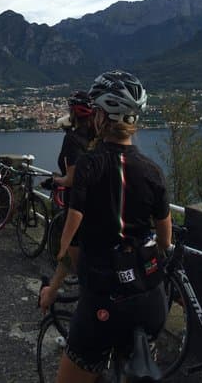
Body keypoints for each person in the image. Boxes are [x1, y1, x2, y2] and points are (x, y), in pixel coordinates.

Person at [38, 70, 173, 382]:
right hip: (151, 301)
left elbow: (73, 244)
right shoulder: (153, 171)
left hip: (104, 301)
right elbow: (165, 241)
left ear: (100, 116)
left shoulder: (89, 165)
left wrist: (52, 289)